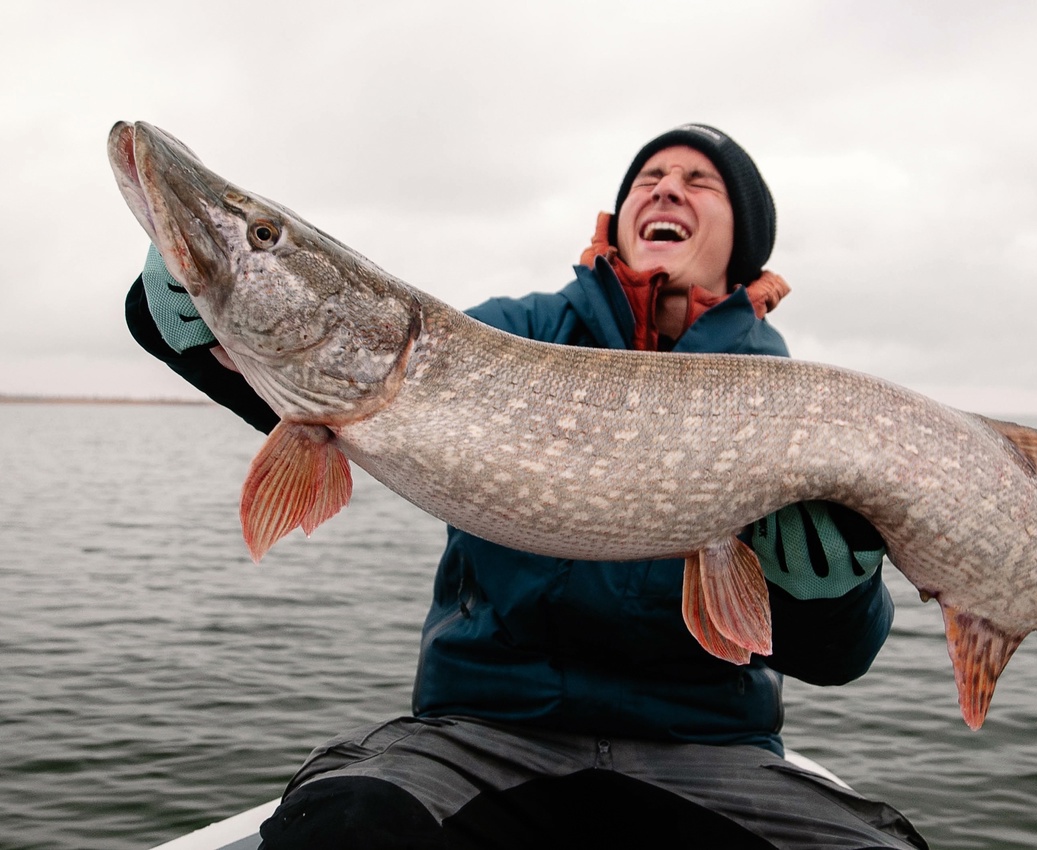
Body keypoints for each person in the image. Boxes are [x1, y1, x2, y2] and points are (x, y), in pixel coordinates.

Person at [125, 123, 928, 849]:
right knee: (344, 828)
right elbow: (336, 378)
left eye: (698, 181)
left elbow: (839, 656)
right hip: (482, 735)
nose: (666, 189)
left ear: (741, 240)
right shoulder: (504, 334)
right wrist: (187, 321)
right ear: (619, 217)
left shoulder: (785, 393)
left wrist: (835, 596)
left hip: (713, 751)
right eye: (649, 178)